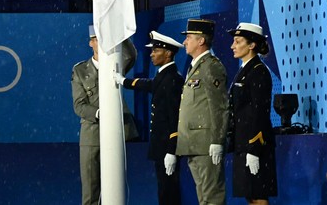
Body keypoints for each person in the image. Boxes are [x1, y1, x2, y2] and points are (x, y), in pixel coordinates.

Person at [115, 31, 185, 205]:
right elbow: (149, 84)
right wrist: (124, 81)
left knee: (169, 192)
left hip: (167, 146)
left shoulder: (172, 79)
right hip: (161, 145)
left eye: (156, 50)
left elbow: (175, 117)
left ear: (168, 53)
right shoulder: (165, 76)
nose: (152, 54)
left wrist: (172, 150)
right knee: (165, 190)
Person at [72, 27, 140, 205]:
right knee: (91, 190)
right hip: (92, 134)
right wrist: (100, 113)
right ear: (91, 43)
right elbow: (79, 105)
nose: (101, 43)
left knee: (114, 186)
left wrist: (119, 35)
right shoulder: (80, 71)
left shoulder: (116, 63)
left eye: (104, 39)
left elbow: (131, 55)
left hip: (115, 132)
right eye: (97, 39)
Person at [172, 18, 228, 205]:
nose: (185, 42)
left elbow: (219, 106)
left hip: (206, 144)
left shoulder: (211, 66)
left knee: (212, 197)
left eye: (189, 37)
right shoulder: (196, 66)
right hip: (194, 144)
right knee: (204, 198)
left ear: (201, 41)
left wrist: (217, 140)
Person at [227, 23, 277, 205]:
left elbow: (260, 113)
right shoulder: (245, 70)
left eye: (238, 41)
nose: (233, 46)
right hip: (243, 143)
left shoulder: (258, 71)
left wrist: (254, 149)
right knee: (250, 195)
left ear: (251, 45)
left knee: (258, 195)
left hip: (255, 144)